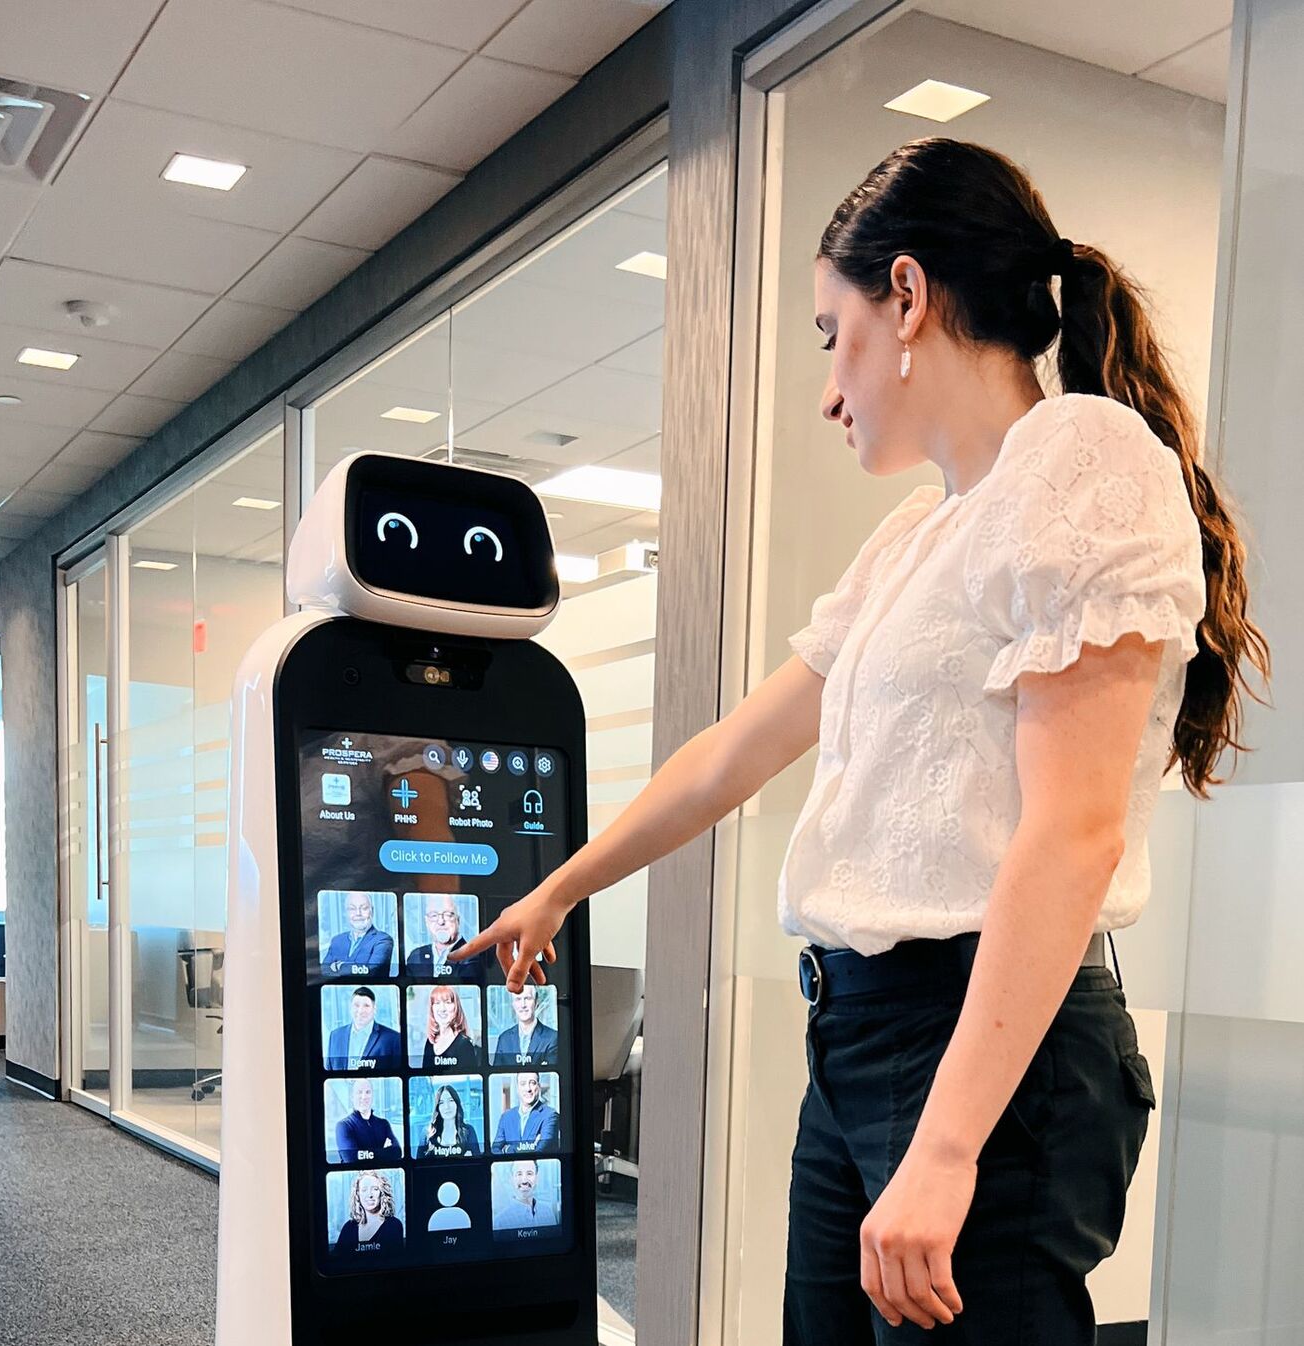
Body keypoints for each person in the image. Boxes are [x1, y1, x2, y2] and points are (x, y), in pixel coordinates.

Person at [454, 138, 1269, 1342]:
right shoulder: (915, 535)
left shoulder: (1084, 463)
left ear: (905, 296)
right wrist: (559, 891)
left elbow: (1073, 829)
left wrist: (946, 1147)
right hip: (858, 1038)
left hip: (988, 1048)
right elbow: (734, 750)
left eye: (828, 335)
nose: (827, 389)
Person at [405, 894, 483, 982]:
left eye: (448, 915)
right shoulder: (415, 956)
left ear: (458, 919)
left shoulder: (472, 956)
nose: (441, 921)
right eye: (434, 915)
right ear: (426, 921)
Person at [325, 987, 401, 1070]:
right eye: (356, 1005)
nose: (360, 1011)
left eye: (366, 1006)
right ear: (350, 1008)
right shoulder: (335, 1036)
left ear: (374, 1009)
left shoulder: (393, 1038)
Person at [321, 892, 395, 977]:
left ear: (372, 911)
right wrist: (355, 968)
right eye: (352, 909)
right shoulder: (337, 940)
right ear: (346, 913)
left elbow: (372, 971)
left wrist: (340, 966)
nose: (358, 913)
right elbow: (323, 971)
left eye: (364, 908)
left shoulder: (383, 940)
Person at [333, 1171, 404, 1255]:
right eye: (364, 1190)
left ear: (382, 1193)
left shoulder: (394, 1225)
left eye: (375, 1189)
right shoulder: (348, 1227)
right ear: (358, 1194)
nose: (370, 1195)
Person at [332, 1078, 402, 1164]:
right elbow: (351, 1159)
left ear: (372, 1096)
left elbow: (397, 1152)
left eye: (368, 1092)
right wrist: (383, 1152)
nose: (364, 1097)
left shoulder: (384, 1124)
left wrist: (364, 1154)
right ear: (352, 1097)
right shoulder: (343, 1126)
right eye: (359, 1092)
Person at [490, 1072, 559, 1154]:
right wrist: (530, 1146)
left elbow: (541, 1149)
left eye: (532, 1083)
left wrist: (507, 1149)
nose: (528, 1089)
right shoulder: (506, 1117)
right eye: (523, 1084)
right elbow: (495, 1150)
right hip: (510, 1167)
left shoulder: (550, 1115)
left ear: (539, 1087)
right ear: (517, 1088)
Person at [490, 985, 559, 1067]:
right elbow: (497, 1075)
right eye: (518, 999)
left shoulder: (553, 1037)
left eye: (527, 998)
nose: (523, 1005)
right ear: (513, 1004)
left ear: (536, 1002)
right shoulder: (504, 1039)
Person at [418, 985, 479, 1072]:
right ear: (432, 1009)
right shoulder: (430, 1042)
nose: (442, 1009)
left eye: (447, 1002)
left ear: (456, 1007)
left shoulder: (464, 1044)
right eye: (437, 1003)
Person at [415, 1083, 482, 1159]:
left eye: (450, 1100)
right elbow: (419, 1164)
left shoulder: (469, 1131)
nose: (447, 1107)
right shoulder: (426, 1132)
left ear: (457, 1104)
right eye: (441, 1102)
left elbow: (477, 1162)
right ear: (438, 1107)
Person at [491, 1160, 558, 1232]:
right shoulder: (499, 1222)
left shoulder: (548, 1212)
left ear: (537, 1178)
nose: (524, 1181)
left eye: (529, 1173)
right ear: (512, 1179)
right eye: (519, 1174)